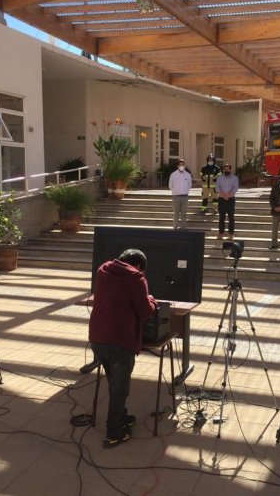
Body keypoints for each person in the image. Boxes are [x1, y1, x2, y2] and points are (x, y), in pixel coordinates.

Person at [89, 249, 158, 448]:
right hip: (120, 340)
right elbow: (145, 311)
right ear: (137, 265)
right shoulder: (136, 278)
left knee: (114, 382)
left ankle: (122, 416)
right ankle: (114, 432)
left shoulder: (103, 270)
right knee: (120, 389)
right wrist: (151, 299)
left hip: (97, 337)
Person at [215, 163, 239, 240]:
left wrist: (228, 195)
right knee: (221, 217)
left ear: (230, 170)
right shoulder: (219, 178)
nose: (226, 170)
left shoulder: (234, 178)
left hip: (231, 200)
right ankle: (221, 233)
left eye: (228, 169)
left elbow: (235, 188)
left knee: (231, 217)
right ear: (223, 170)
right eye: (225, 169)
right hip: (221, 199)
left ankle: (231, 234)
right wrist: (223, 195)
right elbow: (217, 188)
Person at [168, 159, 192, 229]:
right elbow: (170, 186)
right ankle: (175, 228)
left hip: (185, 197)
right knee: (176, 214)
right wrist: (176, 192)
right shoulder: (173, 174)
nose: (182, 166)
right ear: (177, 166)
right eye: (180, 165)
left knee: (184, 214)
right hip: (176, 197)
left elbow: (189, 186)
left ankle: (183, 228)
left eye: (183, 165)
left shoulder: (188, 175)